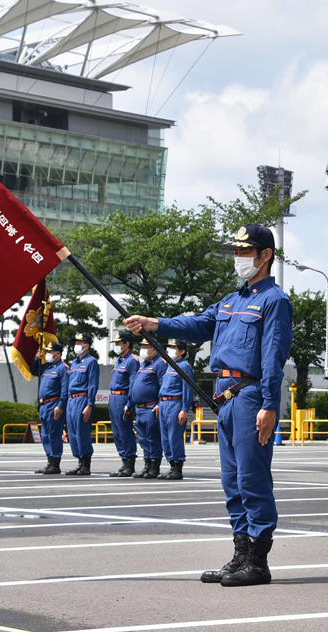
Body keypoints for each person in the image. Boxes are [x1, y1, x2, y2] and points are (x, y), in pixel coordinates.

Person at [125, 224, 293, 587]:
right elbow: (199, 323)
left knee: (252, 478)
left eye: (244, 252)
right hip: (225, 395)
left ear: (265, 256)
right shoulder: (231, 301)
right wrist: (153, 322)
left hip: (250, 395)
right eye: (235, 252)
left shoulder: (273, 300)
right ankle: (240, 552)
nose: (237, 258)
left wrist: (269, 404)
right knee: (232, 480)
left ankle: (258, 561)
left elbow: (272, 357)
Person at [157, 339, 195, 480]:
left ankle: (177, 468)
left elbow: (187, 389)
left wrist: (184, 409)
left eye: (174, 347)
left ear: (182, 351)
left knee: (174, 436)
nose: (170, 350)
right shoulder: (169, 366)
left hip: (175, 403)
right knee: (165, 437)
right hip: (164, 404)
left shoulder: (184, 366)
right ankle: (171, 465)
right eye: (170, 347)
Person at [129, 339, 166, 479]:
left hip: (151, 406)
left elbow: (163, 385)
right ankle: (147, 465)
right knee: (143, 438)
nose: (142, 349)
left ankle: (154, 466)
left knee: (152, 437)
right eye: (141, 346)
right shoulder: (143, 364)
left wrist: (159, 403)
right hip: (140, 408)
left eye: (146, 346)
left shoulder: (160, 363)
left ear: (154, 349)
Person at [31, 341, 68, 474]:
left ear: (58, 353)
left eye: (49, 352)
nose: (46, 354)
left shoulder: (63, 368)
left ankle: (55, 462)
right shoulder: (47, 367)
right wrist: (36, 359)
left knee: (54, 434)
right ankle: (49, 461)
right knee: (45, 435)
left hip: (54, 404)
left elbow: (65, 389)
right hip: (44, 405)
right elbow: (34, 371)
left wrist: (61, 406)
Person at [65, 333, 99, 476]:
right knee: (72, 433)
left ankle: (86, 464)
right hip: (71, 400)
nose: (77, 345)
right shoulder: (74, 362)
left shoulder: (91, 362)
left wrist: (90, 404)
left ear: (87, 345)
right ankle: (79, 462)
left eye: (80, 342)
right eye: (76, 342)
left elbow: (92, 384)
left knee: (81, 432)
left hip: (82, 399)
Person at [108, 331, 140, 477]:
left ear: (126, 344)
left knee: (125, 431)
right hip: (114, 398)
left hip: (123, 398)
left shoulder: (132, 360)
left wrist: (130, 403)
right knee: (116, 432)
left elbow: (133, 383)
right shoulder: (120, 360)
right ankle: (123, 461)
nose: (116, 346)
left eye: (118, 343)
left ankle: (130, 463)